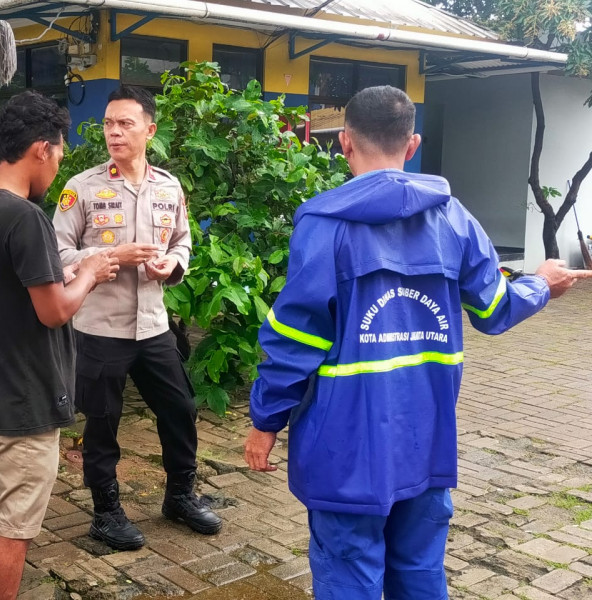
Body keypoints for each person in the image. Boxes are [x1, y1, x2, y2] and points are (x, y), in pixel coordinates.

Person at [243, 85, 592, 600]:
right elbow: (495, 311)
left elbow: (293, 339)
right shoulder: (455, 220)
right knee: (420, 573)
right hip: (425, 440)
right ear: (413, 145)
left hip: (345, 449)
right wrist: (541, 282)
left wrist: (265, 422)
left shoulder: (323, 226)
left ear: (344, 143)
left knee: (348, 576)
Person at [0, 90, 119, 600]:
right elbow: (54, 310)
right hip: (25, 397)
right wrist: (89, 272)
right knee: (16, 528)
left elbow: (10, 287)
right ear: (41, 150)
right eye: (60, 156)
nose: (57, 170)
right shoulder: (26, 217)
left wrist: (68, 267)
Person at [53, 85, 221, 551]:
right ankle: (106, 512)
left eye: (125, 123)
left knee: (181, 409)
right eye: (108, 123)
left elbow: (183, 240)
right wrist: (114, 254)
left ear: (150, 129)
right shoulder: (81, 189)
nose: (114, 132)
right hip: (100, 328)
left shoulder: (168, 186)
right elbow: (60, 253)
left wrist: (174, 265)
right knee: (103, 421)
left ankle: (180, 495)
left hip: (152, 326)